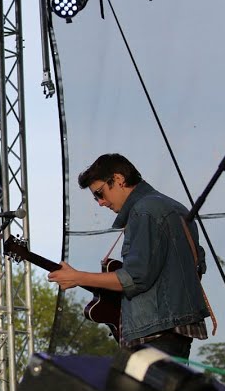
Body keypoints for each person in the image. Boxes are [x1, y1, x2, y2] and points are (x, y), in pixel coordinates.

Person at [46, 153, 212, 358]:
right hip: (172, 329)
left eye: (100, 193)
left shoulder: (145, 211)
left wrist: (78, 277)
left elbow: (135, 277)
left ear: (118, 179)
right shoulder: (174, 207)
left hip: (156, 334)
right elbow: (196, 266)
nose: (100, 202)